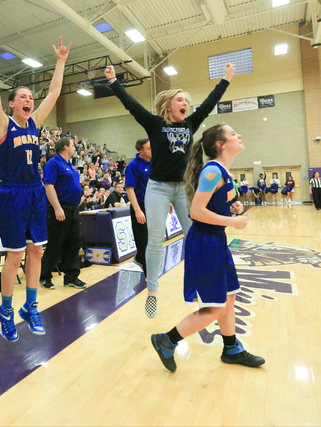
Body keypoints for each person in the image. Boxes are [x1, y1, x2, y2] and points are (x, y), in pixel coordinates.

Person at [104, 62, 235, 319]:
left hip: (183, 189)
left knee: (194, 238)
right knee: (154, 240)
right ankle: (152, 290)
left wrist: (226, 79)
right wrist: (113, 83)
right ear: (168, 106)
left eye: (185, 99)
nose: (184, 102)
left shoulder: (190, 124)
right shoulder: (154, 124)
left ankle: (199, 287)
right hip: (158, 188)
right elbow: (132, 104)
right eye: (179, 99)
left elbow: (210, 103)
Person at [151, 124, 265, 372]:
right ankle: (166, 340)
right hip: (204, 243)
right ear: (220, 144)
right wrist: (232, 221)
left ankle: (231, 348)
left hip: (215, 241)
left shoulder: (223, 170)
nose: (239, 135)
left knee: (229, 296)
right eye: (234, 133)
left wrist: (231, 206)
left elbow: (213, 202)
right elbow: (196, 212)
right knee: (215, 307)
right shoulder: (212, 172)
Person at [0, 14, 71, 341]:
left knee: (36, 252)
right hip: (12, 193)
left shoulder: (34, 123)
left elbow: (54, 91)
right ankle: (5, 310)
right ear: (10, 104)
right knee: (16, 255)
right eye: (22, 97)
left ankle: (30, 306)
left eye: (30, 99)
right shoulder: (4, 125)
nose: (28, 101)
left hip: (35, 192)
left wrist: (60, 62)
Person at [39, 137, 86, 290]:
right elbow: (49, 186)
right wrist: (57, 208)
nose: (75, 148)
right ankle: (44, 276)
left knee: (74, 243)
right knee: (55, 244)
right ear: (65, 147)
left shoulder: (70, 165)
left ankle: (71, 277)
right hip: (59, 209)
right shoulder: (53, 163)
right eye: (73, 145)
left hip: (73, 210)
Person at [125, 138, 151, 275]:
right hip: (140, 205)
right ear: (141, 152)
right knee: (143, 239)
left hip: (153, 205)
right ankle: (148, 272)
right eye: (149, 148)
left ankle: (140, 258)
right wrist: (137, 210)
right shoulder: (133, 166)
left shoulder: (154, 163)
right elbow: (130, 189)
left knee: (152, 239)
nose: (152, 150)